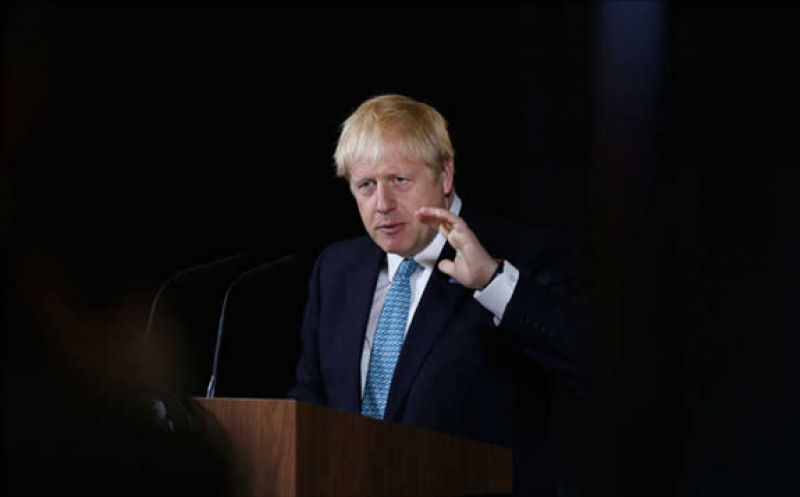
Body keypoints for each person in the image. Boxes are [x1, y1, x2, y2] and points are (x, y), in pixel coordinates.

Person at [289, 94, 596, 495]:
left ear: (445, 175)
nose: (382, 204)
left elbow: (587, 360)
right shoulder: (336, 269)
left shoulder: (521, 255)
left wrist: (491, 282)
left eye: (399, 180)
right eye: (366, 185)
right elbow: (310, 398)